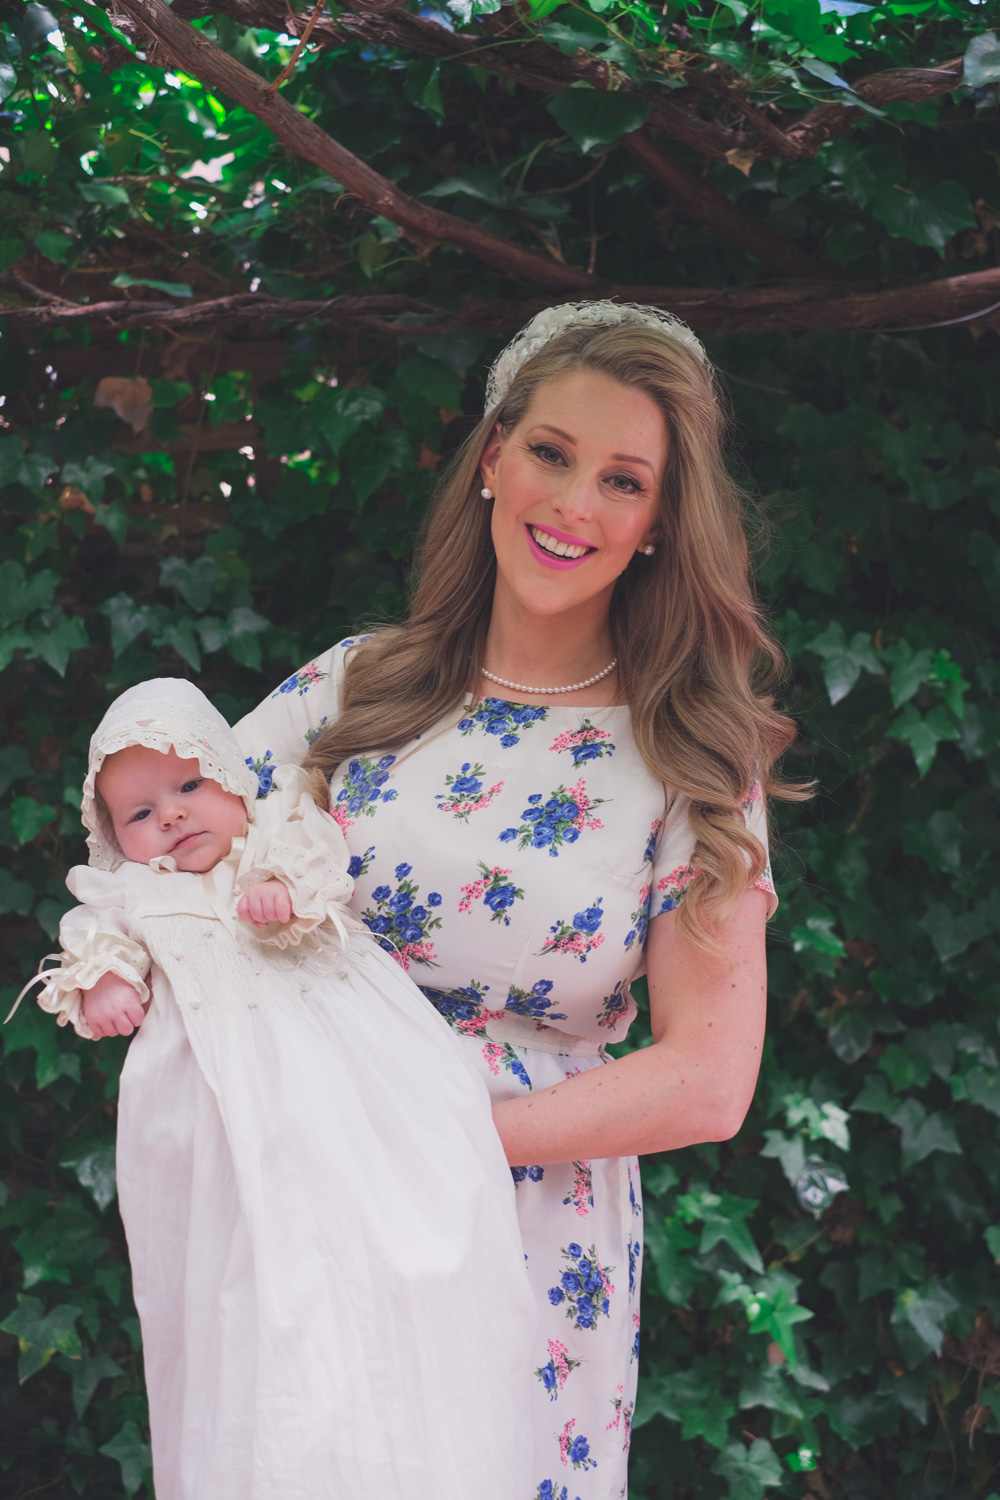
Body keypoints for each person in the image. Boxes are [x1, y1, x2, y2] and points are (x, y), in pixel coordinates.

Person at [236, 300, 802, 1498]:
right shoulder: (353, 686)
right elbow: (173, 866)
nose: (574, 506)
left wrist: (429, 1145)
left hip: (526, 1240)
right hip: (307, 1212)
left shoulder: (687, 759)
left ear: (657, 523)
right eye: (551, 453)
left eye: (621, 481)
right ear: (492, 456)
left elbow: (707, 1078)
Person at [16, 678, 535, 1500]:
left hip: (348, 1063)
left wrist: (286, 894)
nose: (174, 816)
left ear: (231, 776)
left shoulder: (277, 834)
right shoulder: (134, 890)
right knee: (248, 1284)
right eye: (142, 813)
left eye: (189, 786)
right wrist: (105, 983)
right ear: (114, 837)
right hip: (219, 1107)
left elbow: (320, 869)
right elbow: (96, 937)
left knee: (399, 1232)